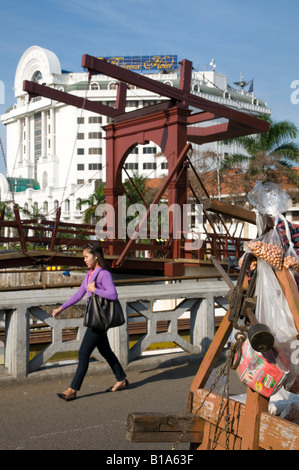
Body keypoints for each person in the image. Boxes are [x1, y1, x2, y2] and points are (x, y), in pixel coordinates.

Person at [52, 242, 128, 401]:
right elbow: (79, 294)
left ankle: (72, 389)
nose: (84, 260)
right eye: (84, 257)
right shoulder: (89, 274)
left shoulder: (104, 274)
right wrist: (62, 308)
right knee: (105, 351)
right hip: (95, 318)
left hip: (99, 320)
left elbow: (113, 295)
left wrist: (94, 290)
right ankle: (121, 379)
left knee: (83, 353)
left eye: (86, 257)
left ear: (95, 256)